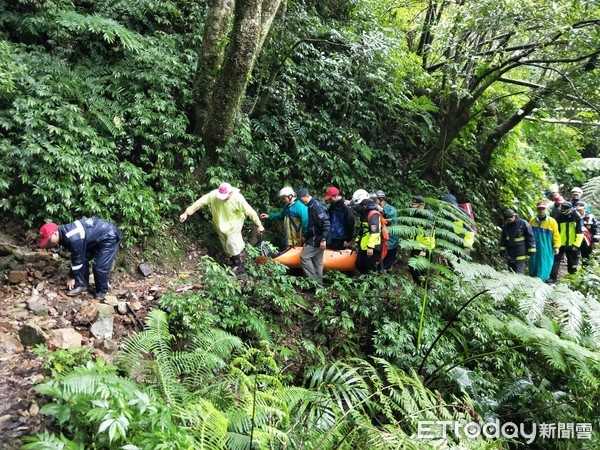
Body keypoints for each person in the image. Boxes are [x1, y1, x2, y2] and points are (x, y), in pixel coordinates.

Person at [179, 182, 264, 274]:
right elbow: (200, 202)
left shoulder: (238, 198)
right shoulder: (213, 195)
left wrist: (259, 224)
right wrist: (186, 213)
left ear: (230, 193)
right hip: (220, 223)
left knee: (232, 243)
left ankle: (238, 265)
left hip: (234, 224)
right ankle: (233, 262)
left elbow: (250, 211)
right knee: (225, 246)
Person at [38, 218, 122, 299]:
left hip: (109, 236)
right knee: (83, 258)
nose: (48, 243)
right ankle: (82, 285)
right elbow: (78, 257)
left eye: (48, 240)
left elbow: (77, 260)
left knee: (99, 267)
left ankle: (102, 291)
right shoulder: (63, 234)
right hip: (95, 237)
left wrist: (71, 277)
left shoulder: (72, 238)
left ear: (55, 233)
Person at [297, 188, 330, 283]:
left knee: (305, 256)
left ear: (306, 196)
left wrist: (323, 239)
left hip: (317, 238)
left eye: (301, 199)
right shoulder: (311, 206)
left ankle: (312, 282)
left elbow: (326, 223)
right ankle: (319, 285)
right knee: (317, 261)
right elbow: (312, 226)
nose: (301, 202)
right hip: (316, 237)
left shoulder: (316, 206)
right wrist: (306, 236)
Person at [549, 202, 583, 282]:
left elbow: (580, 232)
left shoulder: (577, 217)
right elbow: (556, 231)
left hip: (572, 245)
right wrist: (556, 243)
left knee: (573, 263)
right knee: (555, 261)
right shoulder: (559, 217)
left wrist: (576, 245)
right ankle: (553, 278)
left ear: (570, 209)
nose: (563, 210)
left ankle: (572, 280)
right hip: (561, 244)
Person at [352, 189, 383, 274]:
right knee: (359, 264)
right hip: (364, 246)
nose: (358, 208)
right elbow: (363, 230)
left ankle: (373, 286)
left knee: (369, 269)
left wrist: (370, 247)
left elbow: (375, 233)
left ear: (364, 204)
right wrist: (356, 242)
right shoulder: (365, 214)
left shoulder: (373, 214)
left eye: (359, 205)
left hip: (372, 247)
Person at [528, 201, 560, 282]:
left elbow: (556, 235)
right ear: (537, 210)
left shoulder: (552, 222)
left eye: (543, 209)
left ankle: (541, 281)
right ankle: (532, 280)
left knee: (545, 264)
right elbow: (528, 234)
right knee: (533, 263)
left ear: (546, 210)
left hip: (546, 247)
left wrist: (556, 246)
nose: (541, 211)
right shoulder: (532, 220)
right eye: (539, 209)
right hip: (534, 247)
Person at [499, 209, 536, 274]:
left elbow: (530, 237)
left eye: (510, 217)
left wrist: (531, 249)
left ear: (514, 216)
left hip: (521, 254)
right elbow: (503, 239)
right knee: (510, 273)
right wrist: (502, 250)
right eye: (507, 218)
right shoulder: (506, 226)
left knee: (518, 274)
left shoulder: (523, 223)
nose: (508, 219)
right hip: (510, 254)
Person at [409, 195, 436, 282]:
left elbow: (428, 235)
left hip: (424, 248)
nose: (414, 208)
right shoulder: (417, 213)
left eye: (416, 206)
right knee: (412, 268)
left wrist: (424, 250)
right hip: (416, 246)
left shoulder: (429, 216)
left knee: (421, 271)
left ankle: (424, 289)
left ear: (422, 205)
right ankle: (418, 286)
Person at [372, 190, 399, 270]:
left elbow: (387, 216)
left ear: (381, 199)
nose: (374, 202)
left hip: (391, 241)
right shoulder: (376, 209)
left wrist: (381, 210)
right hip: (381, 240)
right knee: (379, 262)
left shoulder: (391, 209)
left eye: (375, 200)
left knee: (386, 264)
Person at [323, 186, 355, 250]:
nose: (329, 200)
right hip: (332, 236)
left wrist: (348, 239)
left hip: (341, 238)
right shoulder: (333, 206)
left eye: (331, 198)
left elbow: (350, 224)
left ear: (336, 195)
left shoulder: (346, 207)